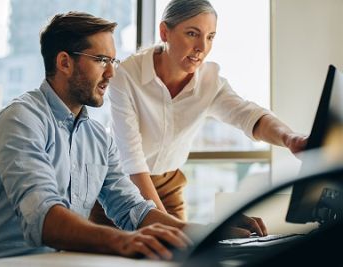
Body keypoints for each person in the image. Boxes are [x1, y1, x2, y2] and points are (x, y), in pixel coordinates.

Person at [0, 11, 266, 261]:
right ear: (65, 62)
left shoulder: (97, 138)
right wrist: (127, 242)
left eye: (113, 61)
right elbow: (44, 217)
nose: (112, 73)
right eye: (101, 60)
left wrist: (209, 232)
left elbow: (136, 210)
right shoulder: (20, 120)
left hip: (57, 261)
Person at [89, 0, 308, 223]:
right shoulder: (125, 75)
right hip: (121, 187)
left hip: (169, 185)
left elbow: (249, 116)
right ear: (165, 32)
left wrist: (289, 138)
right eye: (192, 34)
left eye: (210, 36)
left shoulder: (209, 81)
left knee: (181, 255)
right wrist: (177, 231)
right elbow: (132, 161)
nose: (202, 47)